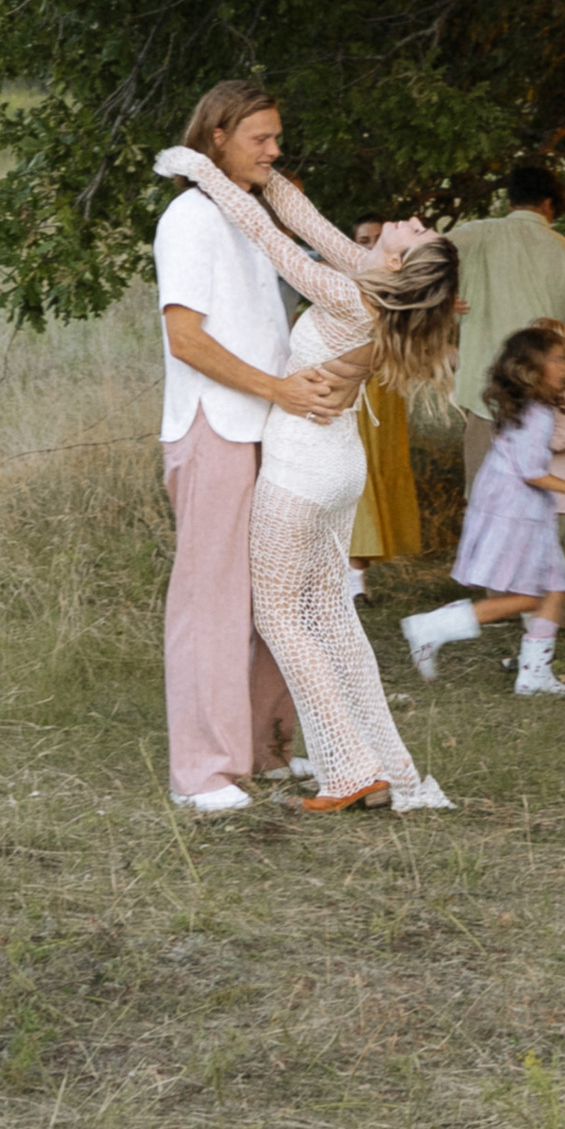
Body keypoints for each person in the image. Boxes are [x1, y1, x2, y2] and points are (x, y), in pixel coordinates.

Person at [158, 136, 462, 809]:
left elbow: (275, 242)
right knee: (332, 614)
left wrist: (201, 170)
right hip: (339, 465)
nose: (411, 221)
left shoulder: (353, 294)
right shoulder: (372, 277)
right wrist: (269, 177)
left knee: (280, 615)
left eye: (416, 230)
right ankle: (389, 768)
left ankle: (351, 771)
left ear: (400, 259)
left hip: (302, 465)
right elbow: (304, 217)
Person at [152, 76, 351, 813]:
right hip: (216, 428)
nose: (275, 149)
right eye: (259, 138)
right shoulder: (189, 219)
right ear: (216, 139)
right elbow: (186, 339)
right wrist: (277, 392)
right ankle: (201, 772)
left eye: (276, 136)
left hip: (273, 427)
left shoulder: (248, 219)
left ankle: (268, 752)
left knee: (278, 591)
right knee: (211, 601)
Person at [403, 323, 565, 695]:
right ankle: (431, 627)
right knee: (530, 595)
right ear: (531, 367)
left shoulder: (533, 406)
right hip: (515, 509)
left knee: (556, 586)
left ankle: (534, 673)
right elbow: (533, 472)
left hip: (525, 509)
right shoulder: (536, 412)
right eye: (555, 359)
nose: (564, 366)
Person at [447, 162, 565, 487]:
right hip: (543, 400)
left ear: (510, 202)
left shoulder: (476, 234)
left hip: (484, 393)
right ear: (549, 204)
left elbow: (420, 259)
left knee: (485, 504)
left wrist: (441, 301)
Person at [347, 217, 424, 591]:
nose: (372, 245)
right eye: (364, 240)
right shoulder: (347, 280)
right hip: (353, 384)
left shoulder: (403, 286)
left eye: (379, 238)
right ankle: (353, 575)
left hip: (388, 387)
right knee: (357, 470)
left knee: (382, 465)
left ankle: (358, 568)